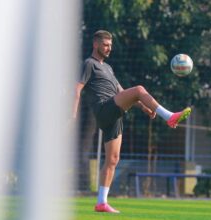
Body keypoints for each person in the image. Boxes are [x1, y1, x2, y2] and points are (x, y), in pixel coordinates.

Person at [73, 30, 191, 213]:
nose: (109, 48)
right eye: (105, 45)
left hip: (114, 114)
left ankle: (101, 202)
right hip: (104, 109)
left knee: (113, 159)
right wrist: (72, 113)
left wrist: (144, 107)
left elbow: (122, 92)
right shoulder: (89, 64)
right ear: (95, 45)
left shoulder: (109, 68)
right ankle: (169, 117)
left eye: (110, 45)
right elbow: (77, 89)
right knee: (139, 88)